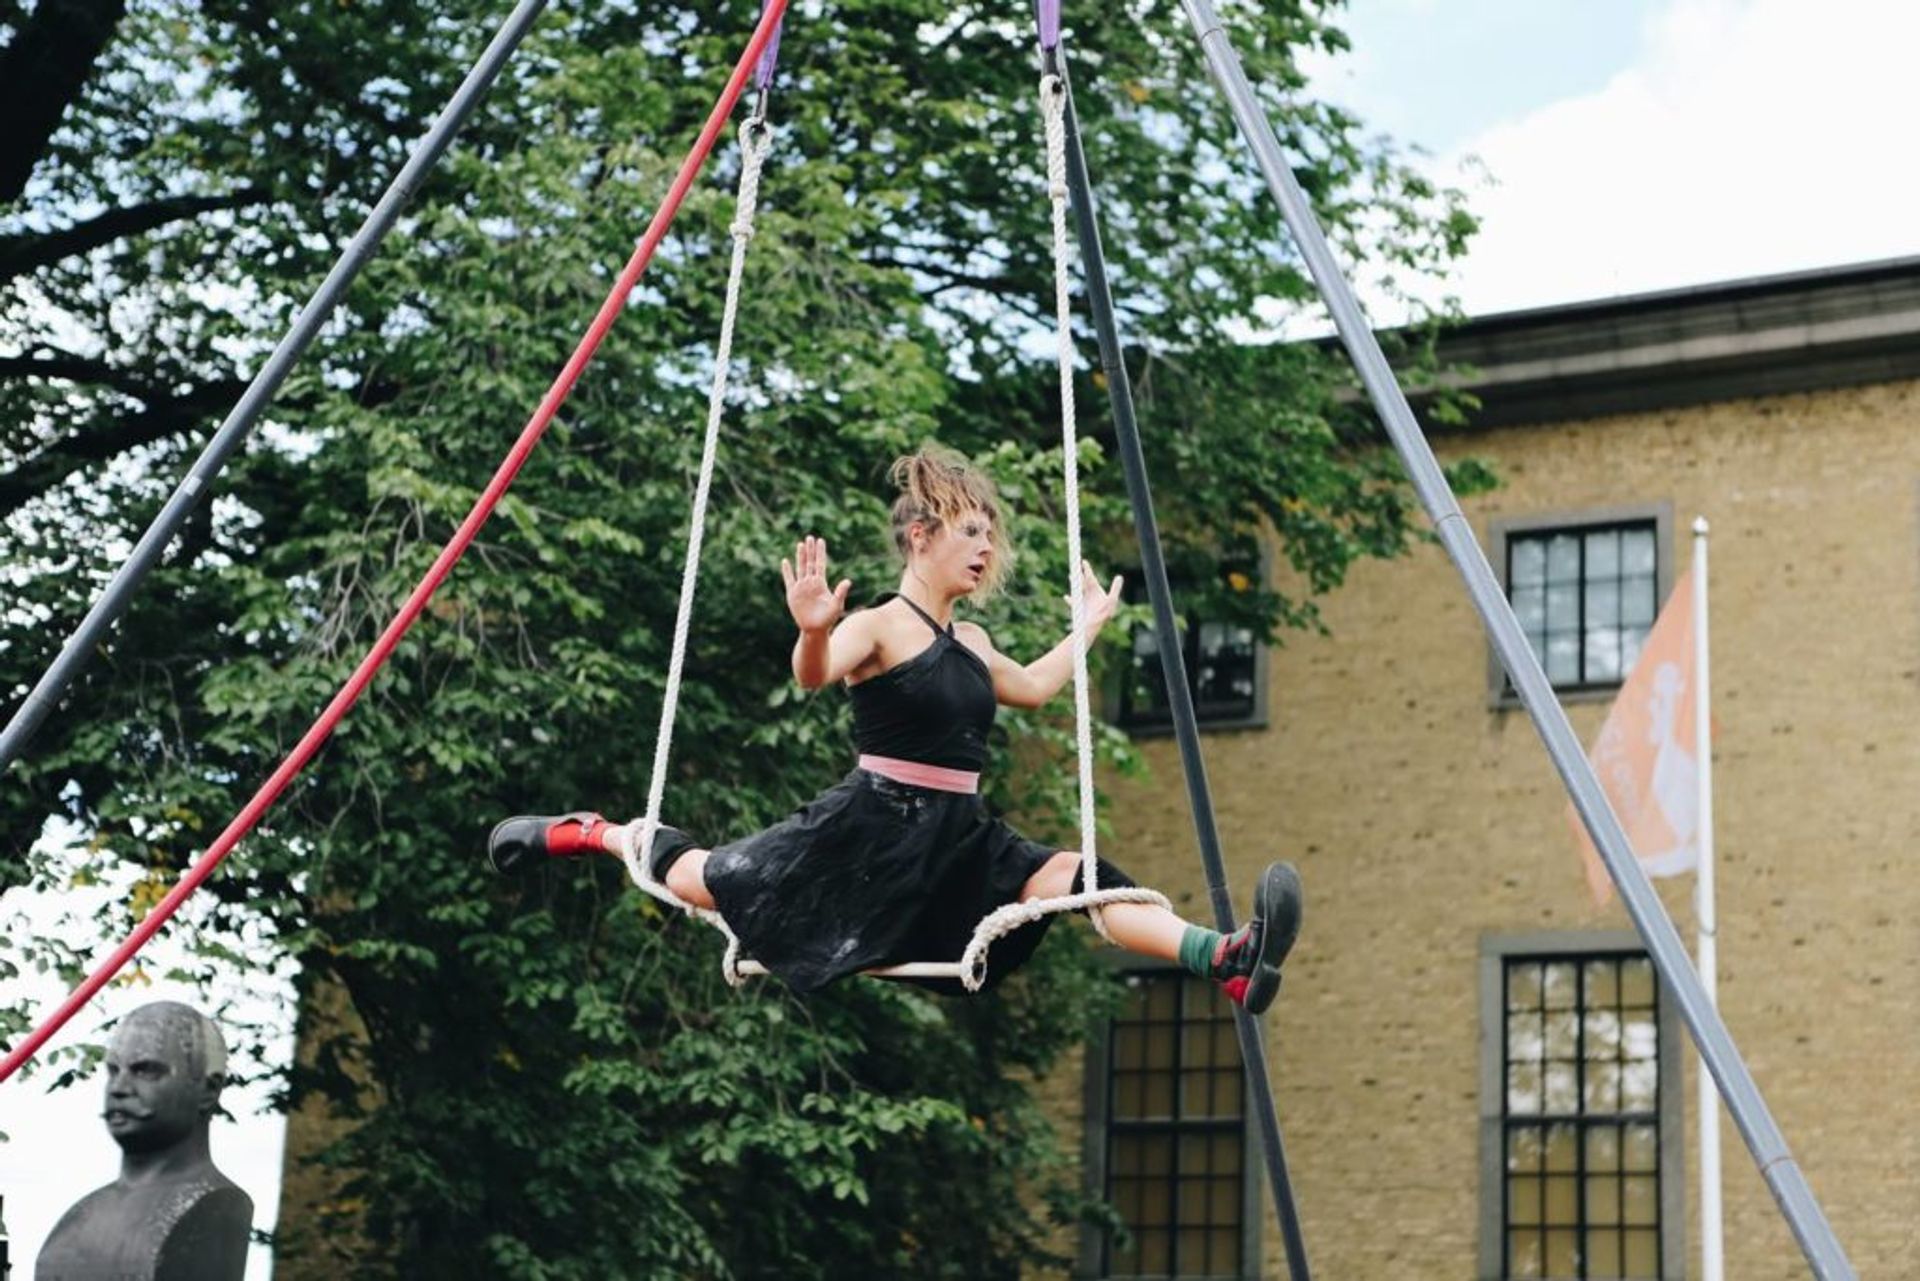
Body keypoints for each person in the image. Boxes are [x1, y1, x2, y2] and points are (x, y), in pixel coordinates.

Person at [490, 446, 1301, 1008]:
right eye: (970, 531)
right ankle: (592, 833)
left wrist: (1088, 625)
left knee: (1081, 878)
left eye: (990, 534)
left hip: (959, 834)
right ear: (922, 536)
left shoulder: (972, 643)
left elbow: (1039, 686)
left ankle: (1223, 958)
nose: (986, 549)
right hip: (871, 827)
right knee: (704, 878)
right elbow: (812, 673)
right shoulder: (880, 626)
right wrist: (811, 627)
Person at [36, 1002, 252, 1281]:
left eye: (146, 1071)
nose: (118, 1088)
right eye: (113, 1071)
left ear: (208, 1090)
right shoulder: (79, 1217)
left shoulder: (216, 1208)